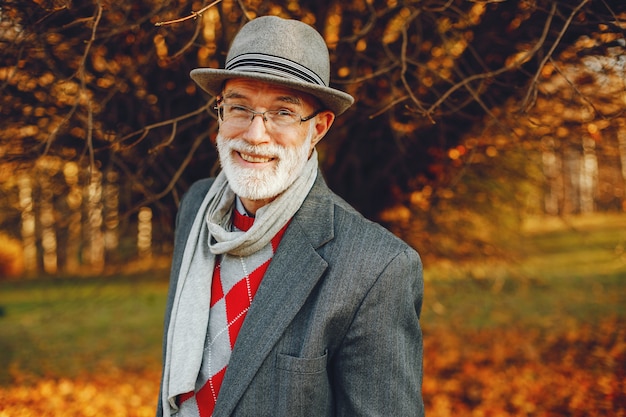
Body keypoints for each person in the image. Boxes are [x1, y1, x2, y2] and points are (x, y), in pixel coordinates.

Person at [157, 15, 424, 417]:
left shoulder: (377, 267)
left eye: (282, 112)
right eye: (239, 108)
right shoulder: (196, 209)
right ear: (220, 112)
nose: (254, 134)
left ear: (318, 128)